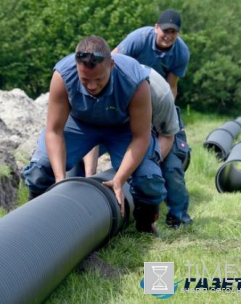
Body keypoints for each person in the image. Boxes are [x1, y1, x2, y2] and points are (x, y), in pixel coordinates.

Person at [23, 35, 166, 235]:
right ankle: (34, 220)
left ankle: (145, 223)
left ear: (112, 65)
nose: (91, 86)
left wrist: (119, 179)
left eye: (99, 79)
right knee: (39, 169)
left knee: (148, 179)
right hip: (80, 124)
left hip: (122, 128)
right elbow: (54, 131)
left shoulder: (135, 80)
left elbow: (141, 137)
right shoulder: (63, 75)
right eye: (85, 80)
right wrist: (59, 180)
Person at [112, 9, 193, 228]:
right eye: (165, 30)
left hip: (160, 103)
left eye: (174, 32)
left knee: (173, 164)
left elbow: (172, 87)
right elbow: (113, 62)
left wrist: (163, 117)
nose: (169, 35)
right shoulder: (139, 39)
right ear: (156, 27)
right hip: (131, 102)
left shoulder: (181, 52)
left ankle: (179, 216)